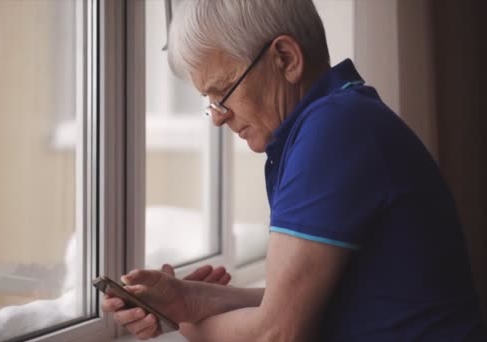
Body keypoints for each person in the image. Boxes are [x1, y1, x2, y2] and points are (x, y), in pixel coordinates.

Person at [103, 0, 487, 340]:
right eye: (210, 100)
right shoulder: (344, 116)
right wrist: (186, 298)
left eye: (222, 92)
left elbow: (278, 333)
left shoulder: (334, 129)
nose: (217, 118)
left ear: (285, 58)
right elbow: (294, 304)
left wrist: (183, 319)